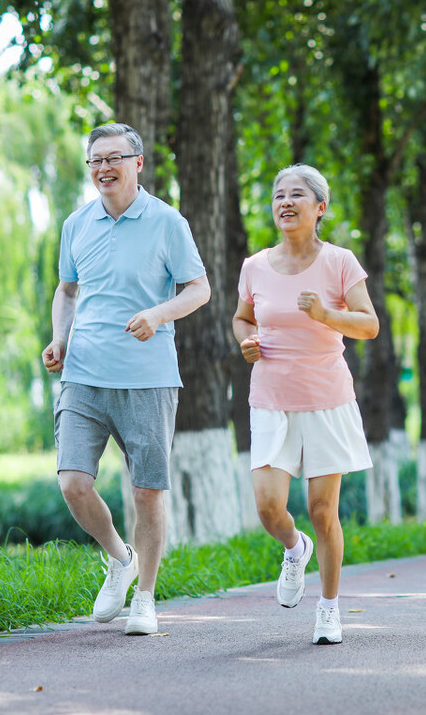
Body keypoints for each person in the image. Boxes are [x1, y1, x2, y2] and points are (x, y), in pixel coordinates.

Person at [42, 123, 210, 636]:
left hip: (147, 378)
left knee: (147, 492)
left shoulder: (166, 221)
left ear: (138, 163)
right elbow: (67, 290)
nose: (103, 168)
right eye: (95, 161)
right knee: (73, 483)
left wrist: (159, 315)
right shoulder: (77, 224)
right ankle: (120, 557)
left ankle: (146, 597)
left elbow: (199, 288)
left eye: (114, 158)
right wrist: (60, 339)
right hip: (84, 373)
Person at [232, 163, 379, 645]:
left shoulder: (340, 262)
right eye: (278, 195)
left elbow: (369, 324)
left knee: (322, 509)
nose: (285, 202)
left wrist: (326, 314)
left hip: (325, 400)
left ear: (320, 208)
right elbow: (241, 319)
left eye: (297, 194)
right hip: (271, 400)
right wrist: (248, 341)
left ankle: (329, 608)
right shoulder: (254, 266)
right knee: (269, 508)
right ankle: (295, 550)